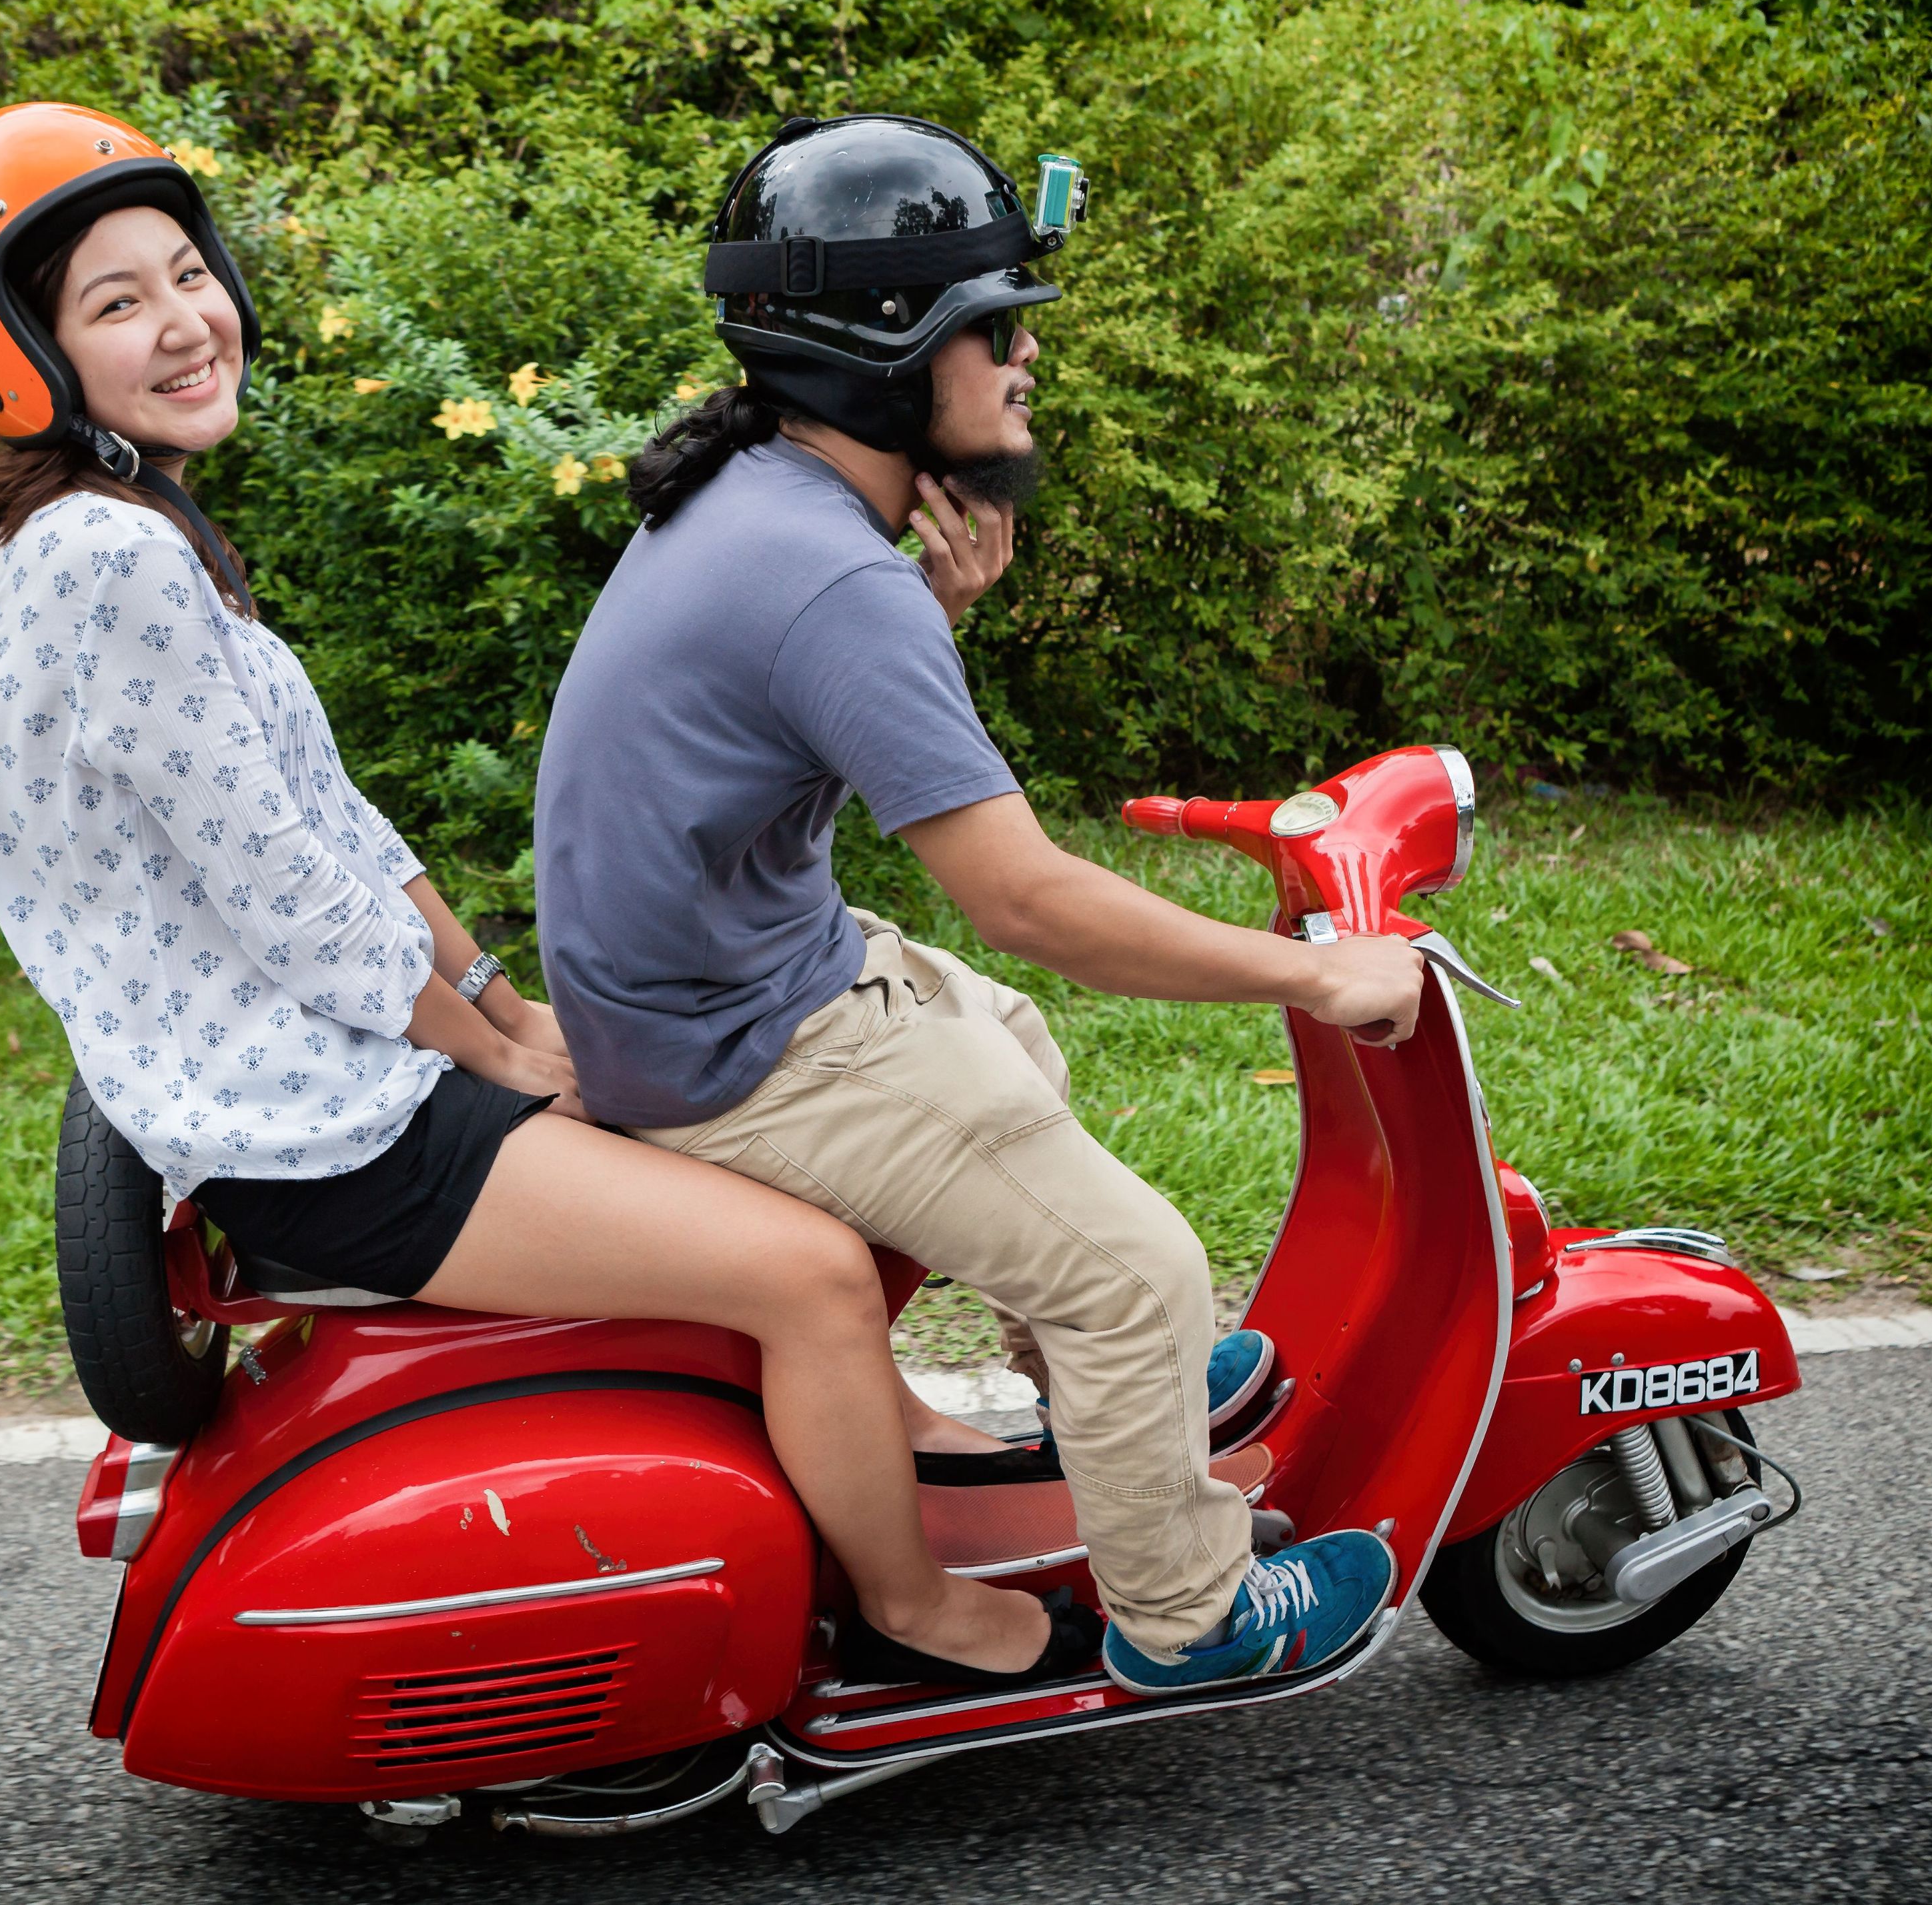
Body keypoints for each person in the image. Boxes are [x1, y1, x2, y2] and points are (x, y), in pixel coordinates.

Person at [0, 103, 1093, 1685]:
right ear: (17, 359)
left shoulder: (139, 533)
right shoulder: (101, 563)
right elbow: (288, 898)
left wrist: (510, 1006)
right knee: (802, 1265)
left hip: (353, 1083)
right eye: (118, 304)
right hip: (335, 1133)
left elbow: (339, 824)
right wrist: (491, 1051)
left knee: (750, 1120)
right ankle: (909, 1606)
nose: (187, 322)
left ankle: (895, 1433)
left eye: (190, 274)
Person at [534, 114, 1427, 1695]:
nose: (1025, 360)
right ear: (885, 346)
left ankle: (1107, 1393)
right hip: (727, 1047)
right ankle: (1188, 1612)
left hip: (717, 980)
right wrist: (1316, 976)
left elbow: (814, 706)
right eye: (992, 326)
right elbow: (1029, 899)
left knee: (1012, 1046)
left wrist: (934, 616)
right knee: (1135, 1264)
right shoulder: (828, 572)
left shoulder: (771, 496)